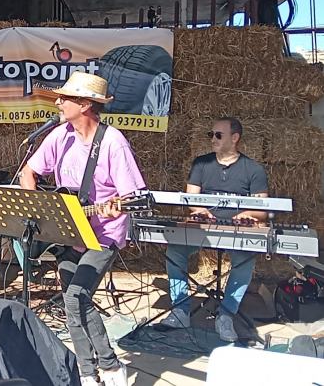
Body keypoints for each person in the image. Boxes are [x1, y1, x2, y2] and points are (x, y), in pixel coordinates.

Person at [20, 71, 145, 386]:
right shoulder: (59, 136)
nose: (58, 103)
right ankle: (88, 374)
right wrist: (42, 209)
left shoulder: (113, 142)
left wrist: (119, 204)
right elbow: (28, 173)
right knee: (71, 300)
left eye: (65, 98)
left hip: (103, 235)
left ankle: (112, 367)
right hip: (67, 232)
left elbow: (134, 197)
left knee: (77, 296)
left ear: (86, 104)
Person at [158, 117, 268, 342]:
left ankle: (226, 314)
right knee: (175, 252)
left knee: (246, 259)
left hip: (236, 229)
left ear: (235, 138)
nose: (213, 139)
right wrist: (199, 211)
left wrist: (248, 215)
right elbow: (191, 199)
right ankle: (180, 310)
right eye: (211, 135)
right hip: (203, 228)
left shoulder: (253, 169)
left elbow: (263, 210)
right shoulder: (201, 164)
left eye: (219, 135)